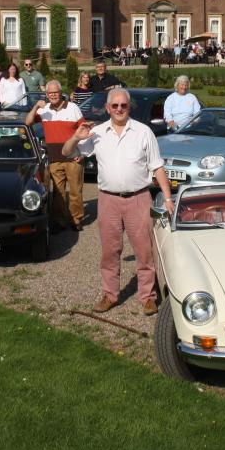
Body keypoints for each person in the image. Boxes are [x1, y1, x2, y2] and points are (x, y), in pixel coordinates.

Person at [63, 89, 174, 315]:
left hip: (139, 199)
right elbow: (66, 153)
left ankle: (148, 297)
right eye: (115, 106)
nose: (120, 109)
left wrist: (169, 197)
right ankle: (110, 295)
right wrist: (76, 136)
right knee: (110, 251)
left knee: (144, 251)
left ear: (129, 107)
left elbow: (157, 167)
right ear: (107, 108)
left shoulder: (143, 132)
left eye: (123, 105)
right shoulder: (96, 132)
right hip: (108, 200)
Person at [27, 80, 85, 232]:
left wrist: (84, 153)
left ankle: (75, 219)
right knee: (58, 193)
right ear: (46, 94)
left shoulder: (73, 108)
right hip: (54, 158)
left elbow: (84, 131)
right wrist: (35, 107)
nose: (53, 95)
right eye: (49, 93)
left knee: (75, 191)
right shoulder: (44, 109)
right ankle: (59, 221)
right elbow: (27, 122)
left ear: (61, 93)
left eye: (55, 92)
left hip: (73, 157)